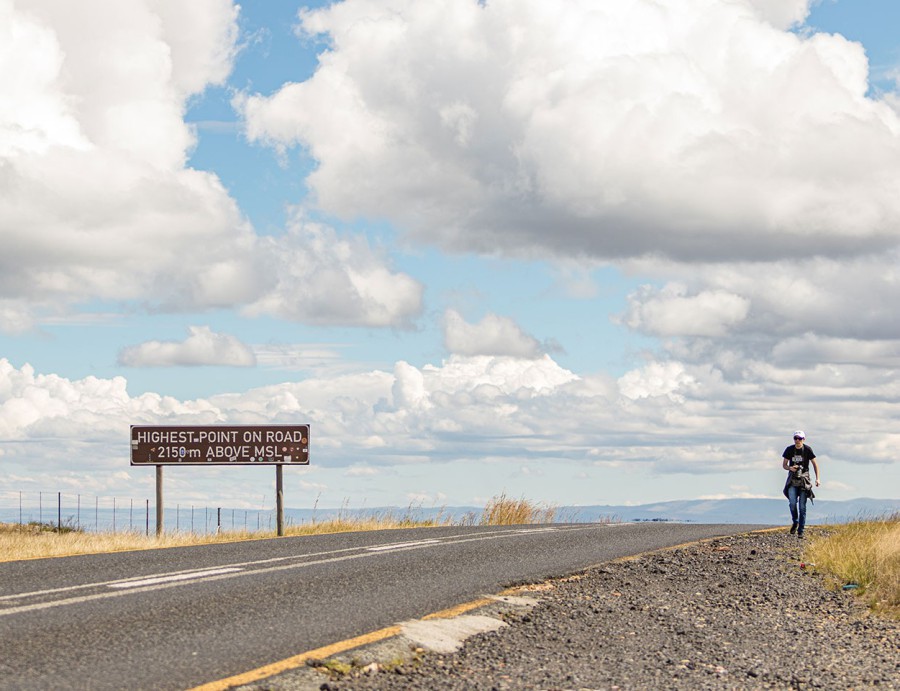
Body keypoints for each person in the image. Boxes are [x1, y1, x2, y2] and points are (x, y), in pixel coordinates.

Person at [781, 430, 820, 538]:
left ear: (804, 439)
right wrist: (790, 468)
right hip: (792, 479)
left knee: (802, 506)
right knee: (792, 503)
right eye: (796, 438)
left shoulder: (807, 449)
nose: (797, 440)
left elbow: (815, 464)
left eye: (800, 438)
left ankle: (801, 530)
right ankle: (795, 521)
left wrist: (817, 479)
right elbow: (784, 465)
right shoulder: (789, 450)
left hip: (804, 479)